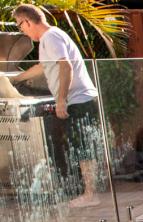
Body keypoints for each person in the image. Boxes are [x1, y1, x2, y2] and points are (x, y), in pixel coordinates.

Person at [11, 4, 101, 207]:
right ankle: (87, 193)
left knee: (84, 148)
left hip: (79, 100)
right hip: (78, 99)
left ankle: (90, 195)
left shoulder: (50, 37)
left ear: (27, 21)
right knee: (80, 147)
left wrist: (61, 100)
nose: (22, 30)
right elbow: (43, 67)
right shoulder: (48, 39)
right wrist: (15, 79)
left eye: (20, 26)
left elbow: (65, 65)